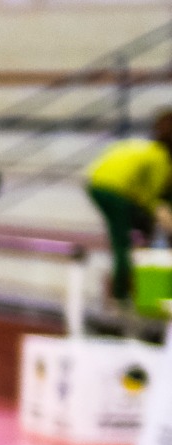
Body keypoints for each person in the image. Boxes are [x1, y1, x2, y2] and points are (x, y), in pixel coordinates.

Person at [84, 110, 172, 315]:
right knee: (122, 242)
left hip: (97, 183)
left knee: (127, 238)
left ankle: (123, 292)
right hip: (114, 191)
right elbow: (153, 199)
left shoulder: (146, 149)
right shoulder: (160, 160)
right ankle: (121, 296)